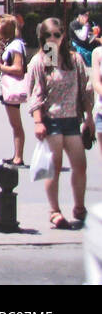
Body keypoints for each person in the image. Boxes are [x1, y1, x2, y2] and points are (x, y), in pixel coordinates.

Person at [26, 18, 94, 228]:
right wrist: (38, 121)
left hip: (72, 119)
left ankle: (79, 207)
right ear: (42, 38)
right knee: (54, 167)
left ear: (64, 35)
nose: (53, 39)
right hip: (52, 120)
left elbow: (85, 90)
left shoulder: (74, 59)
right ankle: (54, 210)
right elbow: (36, 94)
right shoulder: (43, 60)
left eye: (57, 34)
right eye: (48, 35)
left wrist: (89, 117)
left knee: (80, 165)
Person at [0, 17, 28, 168]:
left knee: (16, 125)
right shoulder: (12, 43)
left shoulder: (16, 45)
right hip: (8, 88)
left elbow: (18, 68)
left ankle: (18, 157)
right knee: (15, 124)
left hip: (13, 88)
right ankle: (16, 155)